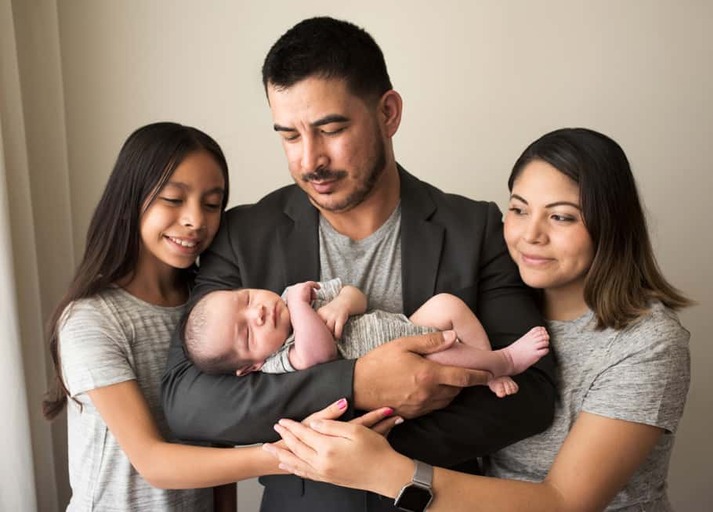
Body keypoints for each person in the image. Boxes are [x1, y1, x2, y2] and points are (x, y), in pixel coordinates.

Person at [161, 16, 556, 512]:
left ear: (388, 112)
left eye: (331, 129)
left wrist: (378, 454)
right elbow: (189, 399)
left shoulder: (473, 227)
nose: (310, 161)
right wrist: (356, 385)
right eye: (289, 136)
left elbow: (531, 393)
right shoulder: (244, 234)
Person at [263, 127, 692, 512]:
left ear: (612, 225)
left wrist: (383, 471)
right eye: (520, 209)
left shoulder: (646, 343)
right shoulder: (496, 304)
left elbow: (566, 503)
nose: (531, 234)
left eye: (561, 216)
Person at [41, 122, 374, 511]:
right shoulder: (93, 318)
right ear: (130, 198)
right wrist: (294, 452)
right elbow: (153, 463)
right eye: (173, 199)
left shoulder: (220, 307)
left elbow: (219, 426)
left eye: (212, 204)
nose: (196, 220)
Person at [183, 278, 550, 397]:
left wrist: (342, 303)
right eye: (247, 332)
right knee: (442, 357)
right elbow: (320, 355)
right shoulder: (282, 358)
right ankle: (506, 361)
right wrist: (297, 304)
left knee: (446, 304)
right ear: (251, 366)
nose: (258, 312)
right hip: (409, 361)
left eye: (246, 300)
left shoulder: (300, 294)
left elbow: (356, 294)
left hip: (408, 323)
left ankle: (485, 368)